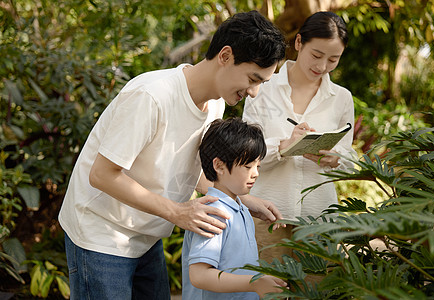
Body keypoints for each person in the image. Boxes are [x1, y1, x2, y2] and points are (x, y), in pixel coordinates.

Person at [58, 10, 286, 300]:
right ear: (225, 56)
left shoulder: (216, 105)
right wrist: (177, 212)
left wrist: (241, 198)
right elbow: (102, 174)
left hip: (147, 233)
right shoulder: (151, 96)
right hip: (100, 234)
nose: (253, 92)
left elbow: (192, 170)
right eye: (253, 78)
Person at [243, 11, 357, 262]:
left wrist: (335, 159)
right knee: (267, 290)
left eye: (333, 60)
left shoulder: (342, 99)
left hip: (320, 216)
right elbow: (246, 152)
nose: (322, 66)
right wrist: (284, 146)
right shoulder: (263, 88)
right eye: (316, 55)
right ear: (298, 43)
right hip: (269, 214)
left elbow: (349, 156)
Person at [182, 118, 287, 299]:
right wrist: (255, 283)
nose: (255, 173)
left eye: (258, 166)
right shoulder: (213, 213)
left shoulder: (241, 209)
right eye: (248, 166)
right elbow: (199, 276)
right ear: (219, 165)